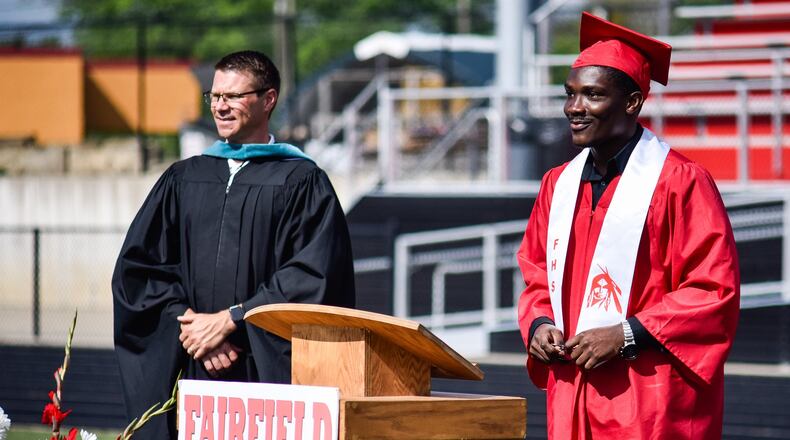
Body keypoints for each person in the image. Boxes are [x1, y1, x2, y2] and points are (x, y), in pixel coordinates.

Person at [517, 13, 739, 439]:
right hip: (572, 389)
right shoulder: (558, 184)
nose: (574, 109)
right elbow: (536, 273)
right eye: (570, 94)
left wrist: (626, 334)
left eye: (593, 95)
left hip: (647, 398)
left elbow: (714, 290)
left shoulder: (678, 182)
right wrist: (540, 324)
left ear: (632, 103)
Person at [112, 50, 356, 438]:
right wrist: (195, 330)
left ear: (268, 100)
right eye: (214, 96)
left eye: (233, 97)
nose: (220, 107)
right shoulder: (183, 179)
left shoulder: (302, 182)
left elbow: (314, 275)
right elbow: (141, 271)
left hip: (265, 377)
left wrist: (234, 320)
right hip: (191, 367)